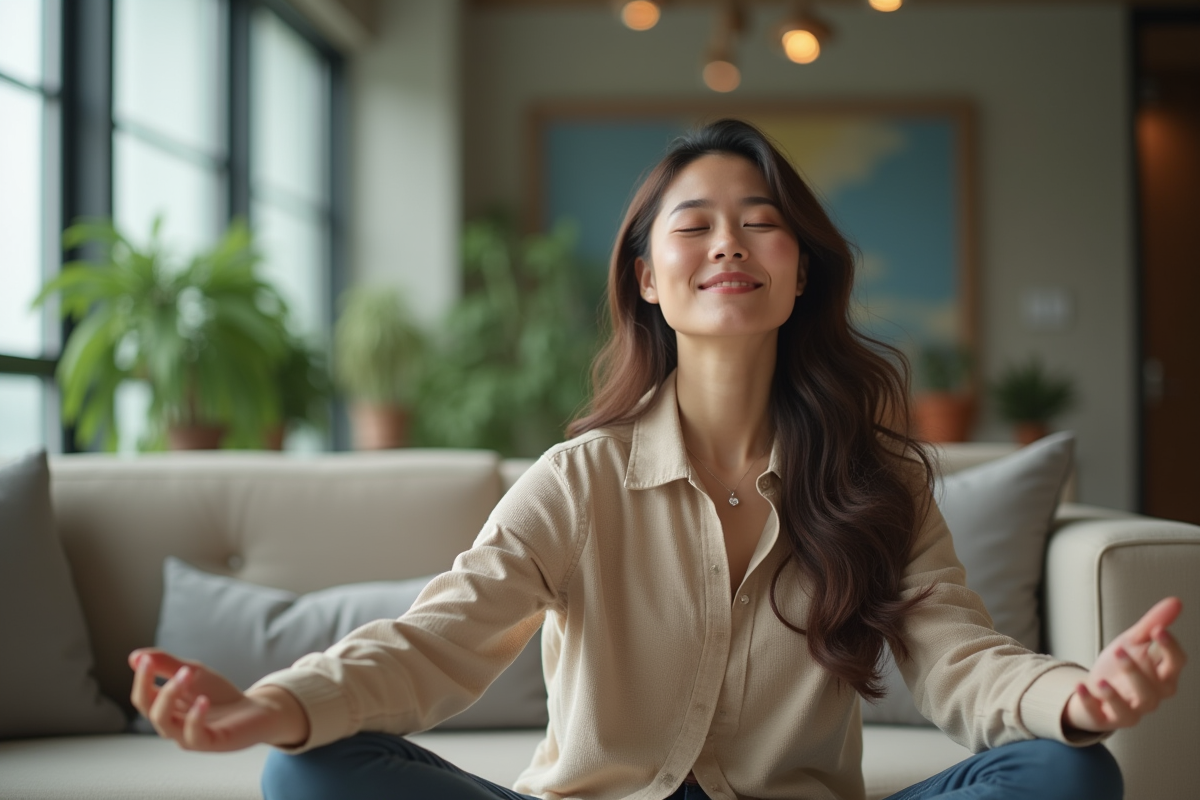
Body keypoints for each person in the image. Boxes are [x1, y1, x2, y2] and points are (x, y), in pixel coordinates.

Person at [130, 119, 1185, 800]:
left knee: (1065, 773)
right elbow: (434, 642)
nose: (729, 244)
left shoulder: (879, 477)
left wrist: (1077, 695)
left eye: (762, 225)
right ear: (646, 277)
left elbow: (961, 659)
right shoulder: (578, 478)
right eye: (696, 226)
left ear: (802, 272)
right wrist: (269, 702)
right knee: (307, 772)